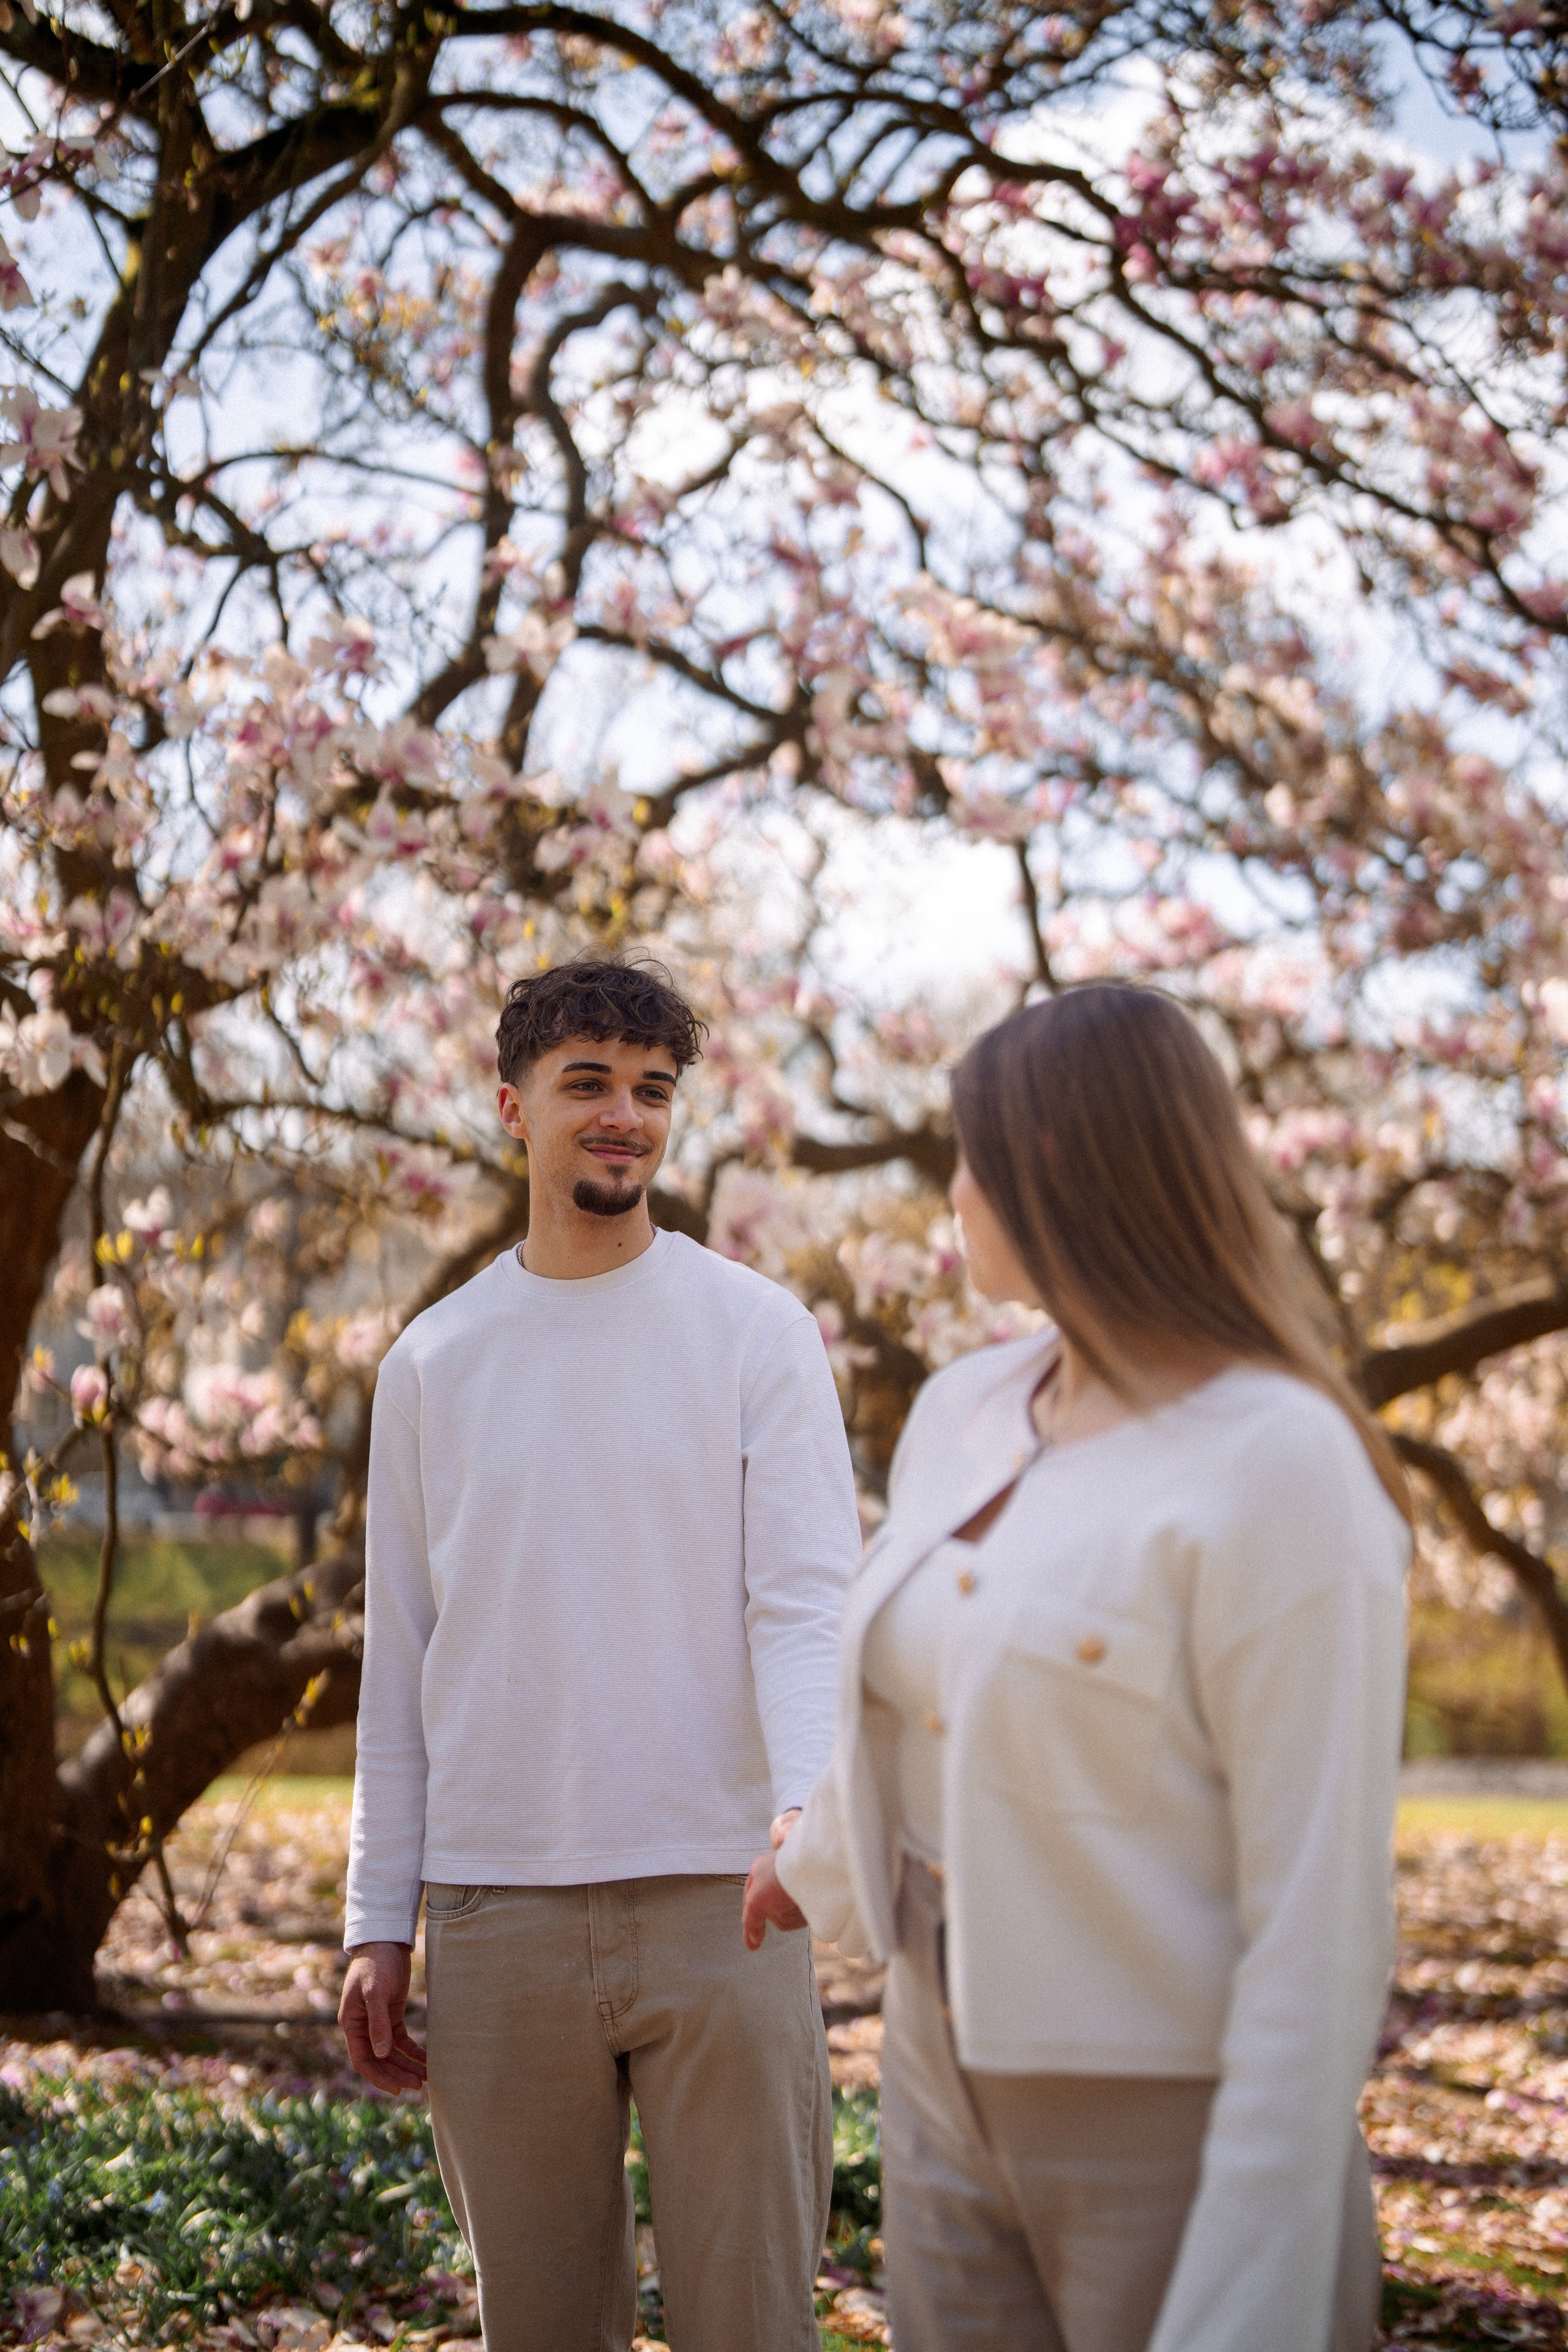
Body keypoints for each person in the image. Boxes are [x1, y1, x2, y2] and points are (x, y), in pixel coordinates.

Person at [744, 981, 1412, 2352]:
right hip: (932, 2070)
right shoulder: (962, 1409)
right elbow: (929, 1692)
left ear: (1053, 1166)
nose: (952, 1193)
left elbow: (1316, 1934)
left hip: (1163, 2107)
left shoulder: (1280, 1465)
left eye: (967, 1156)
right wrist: (805, 1862)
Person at [339, 956, 862, 2352]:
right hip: (493, 1909)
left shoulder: (756, 1333)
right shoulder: (432, 1365)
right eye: (588, 1085)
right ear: (513, 1108)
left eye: (650, 1090)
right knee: (541, 2330)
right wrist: (375, 1917)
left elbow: (808, 1602)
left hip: (724, 1903)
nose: (622, 1115)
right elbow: (404, 1659)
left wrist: (803, 1816)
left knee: (752, 2325)